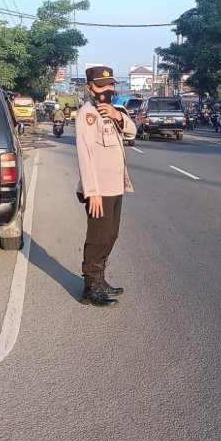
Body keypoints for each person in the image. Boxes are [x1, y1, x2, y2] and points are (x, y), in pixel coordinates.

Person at [75, 66, 136, 307]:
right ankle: (90, 289)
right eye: (101, 86)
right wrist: (92, 192)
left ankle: (100, 279)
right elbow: (85, 154)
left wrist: (117, 115)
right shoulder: (87, 115)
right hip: (99, 190)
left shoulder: (113, 111)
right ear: (90, 88)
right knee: (98, 237)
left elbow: (132, 131)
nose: (107, 90)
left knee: (111, 234)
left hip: (116, 187)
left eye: (111, 85)